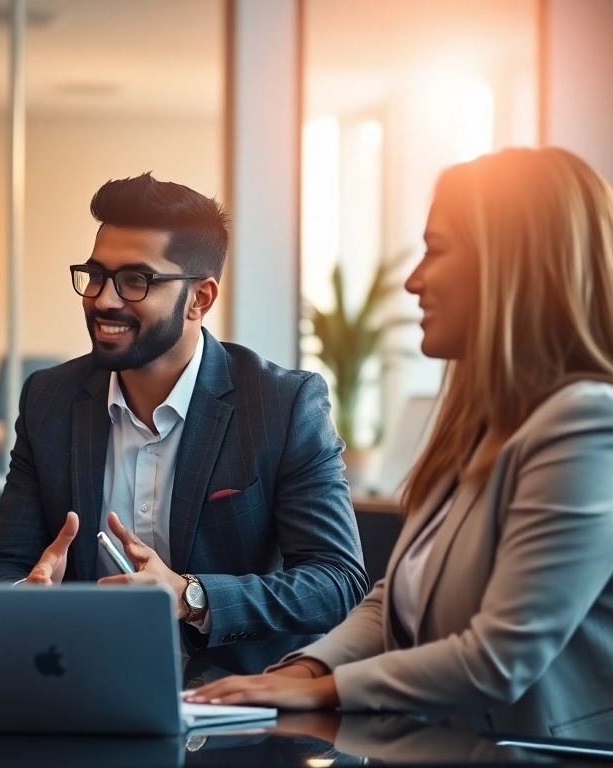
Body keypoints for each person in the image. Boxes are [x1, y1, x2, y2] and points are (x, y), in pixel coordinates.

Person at [187, 147, 613, 741]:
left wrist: (321, 691)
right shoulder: (478, 428)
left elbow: (499, 659)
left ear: (509, 267)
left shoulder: (586, 425)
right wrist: (307, 668)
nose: (414, 280)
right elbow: (396, 601)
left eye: (437, 251)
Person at [0, 173, 368, 674]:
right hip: (79, 694)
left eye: (135, 280)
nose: (103, 299)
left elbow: (336, 582)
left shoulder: (281, 404)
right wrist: (23, 597)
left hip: (235, 713)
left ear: (200, 299)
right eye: (95, 276)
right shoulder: (49, 399)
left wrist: (191, 597)